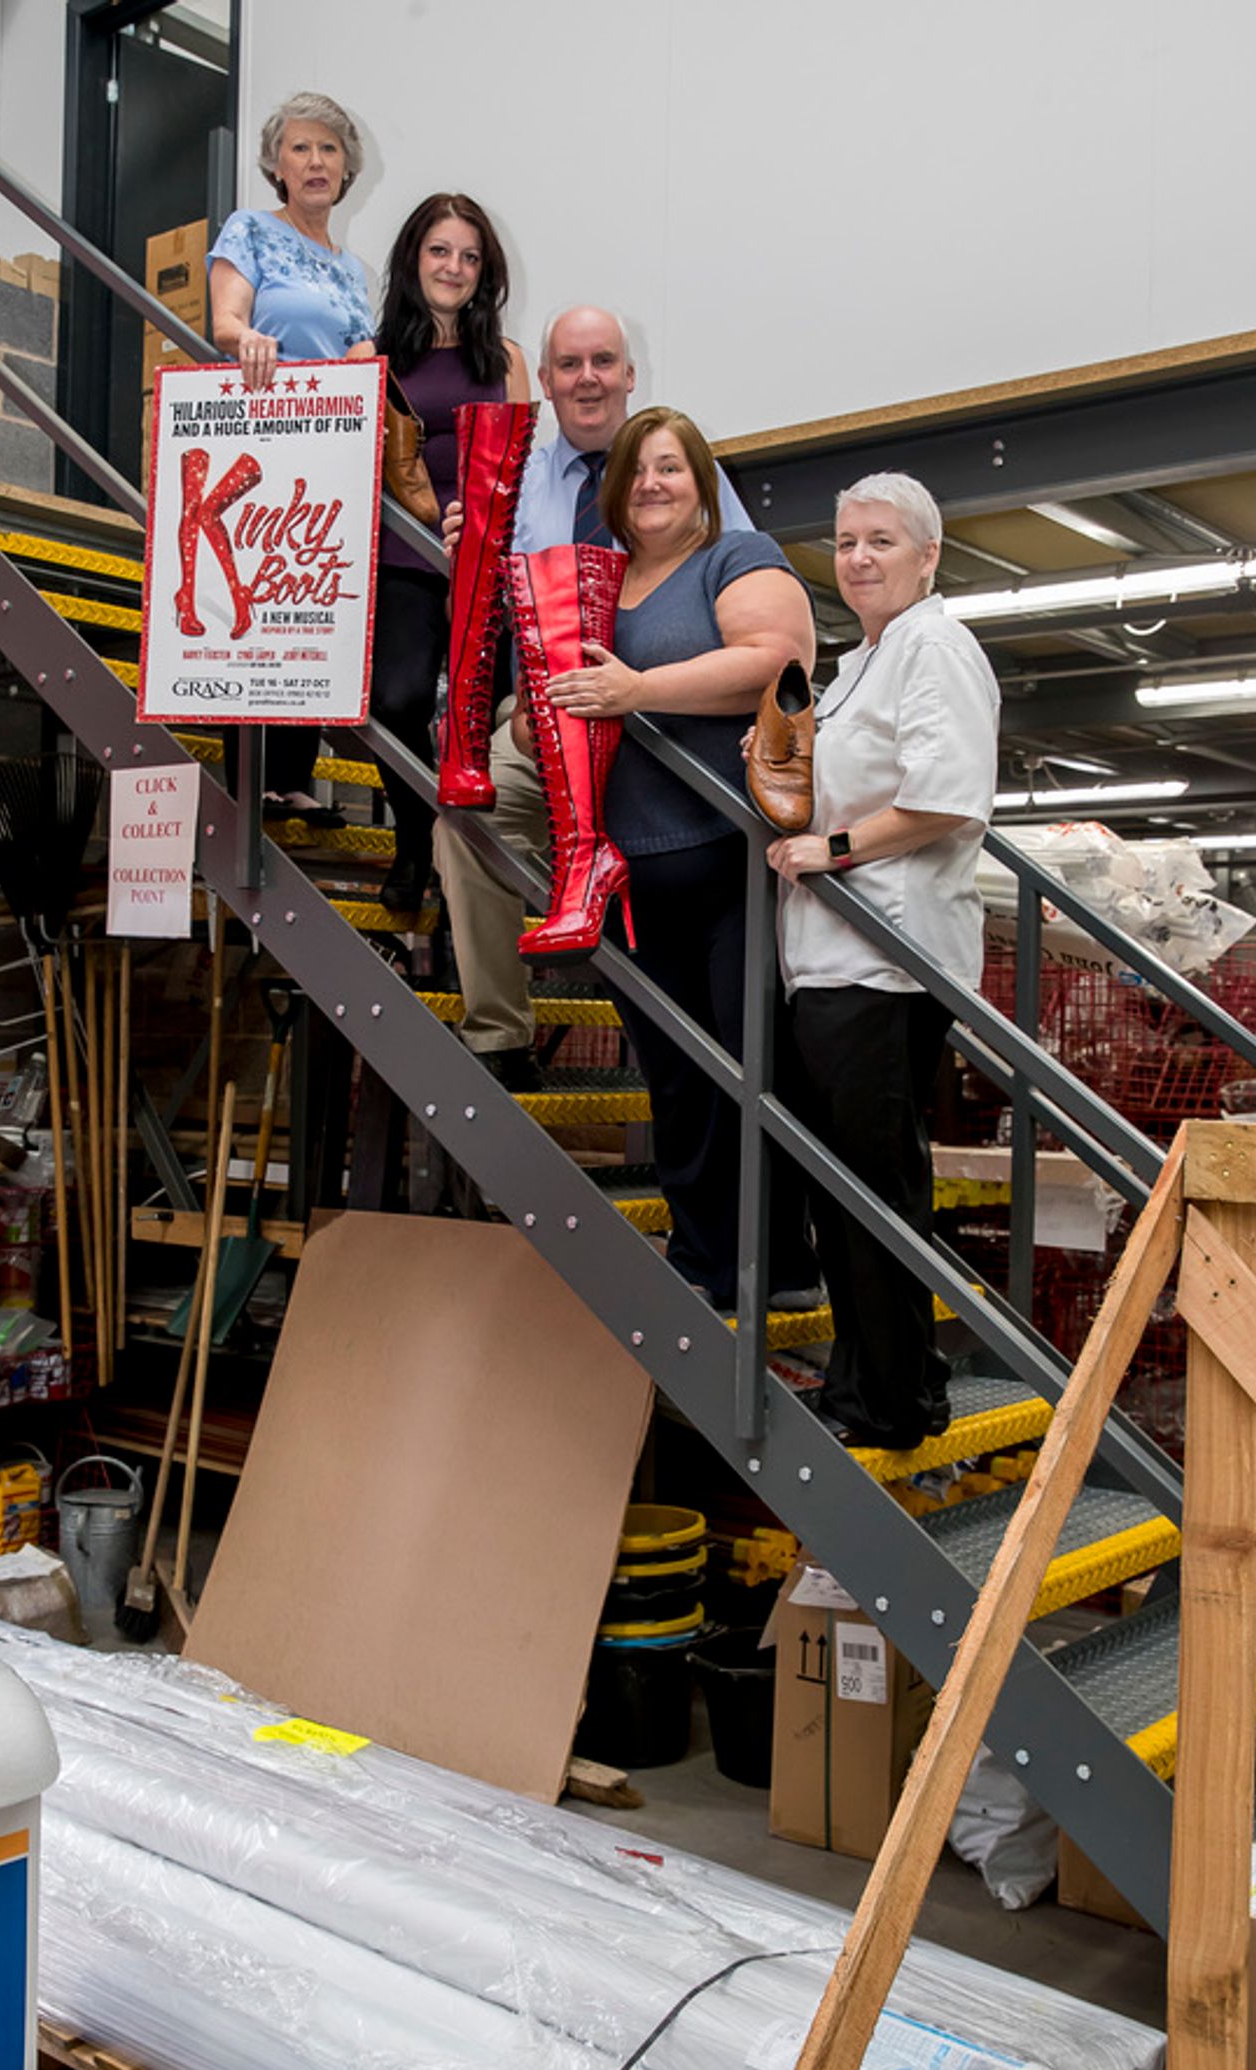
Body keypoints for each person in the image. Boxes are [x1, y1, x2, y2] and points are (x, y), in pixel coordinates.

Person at [529, 404, 817, 1313]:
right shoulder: (599, 581)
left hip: (727, 861)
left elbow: (780, 657)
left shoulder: (736, 557)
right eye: (638, 470)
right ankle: (705, 1259)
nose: (652, 483)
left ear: (702, 486)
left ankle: (781, 1265)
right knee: (679, 1084)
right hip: (629, 873)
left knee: (748, 1068)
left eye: (673, 469)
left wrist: (638, 690)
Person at [433, 305, 750, 1088]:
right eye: (569, 365)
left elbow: (738, 580)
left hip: (654, 733)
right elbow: (480, 620)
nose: (587, 379)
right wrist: (466, 560)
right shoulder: (515, 485)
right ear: (544, 383)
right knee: (465, 819)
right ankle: (501, 1032)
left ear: (629, 375)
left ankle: (602, 911)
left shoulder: (679, 474)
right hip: (542, 719)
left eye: (602, 361)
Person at [764, 471, 1000, 1449]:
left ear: (927, 555)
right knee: (847, 1190)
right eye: (845, 541)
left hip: (882, 961)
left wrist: (833, 849)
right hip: (833, 959)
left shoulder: (934, 648)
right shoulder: (866, 657)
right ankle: (876, 1382)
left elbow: (945, 796)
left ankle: (893, 1399)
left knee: (871, 1190)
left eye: (881, 542)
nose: (857, 558)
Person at [207, 91, 374, 825]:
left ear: (346, 169)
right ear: (277, 164)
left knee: (309, 599)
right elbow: (224, 320)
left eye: (329, 149)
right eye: (301, 148)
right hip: (259, 434)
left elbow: (358, 348)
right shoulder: (250, 230)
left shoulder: (350, 267)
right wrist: (246, 338)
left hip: (327, 450)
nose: (315, 162)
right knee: (253, 595)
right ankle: (250, 778)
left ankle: (296, 775)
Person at [363, 194, 530, 913]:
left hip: (486, 568)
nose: (454, 268)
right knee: (394, 700)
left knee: (488, 728)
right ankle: (414, 840)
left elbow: (523, 468)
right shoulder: (369, 357)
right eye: (440, 251)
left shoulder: (508, 360)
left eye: (469, 256)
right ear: (413, 258)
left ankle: (473, 873)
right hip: (403, 557)